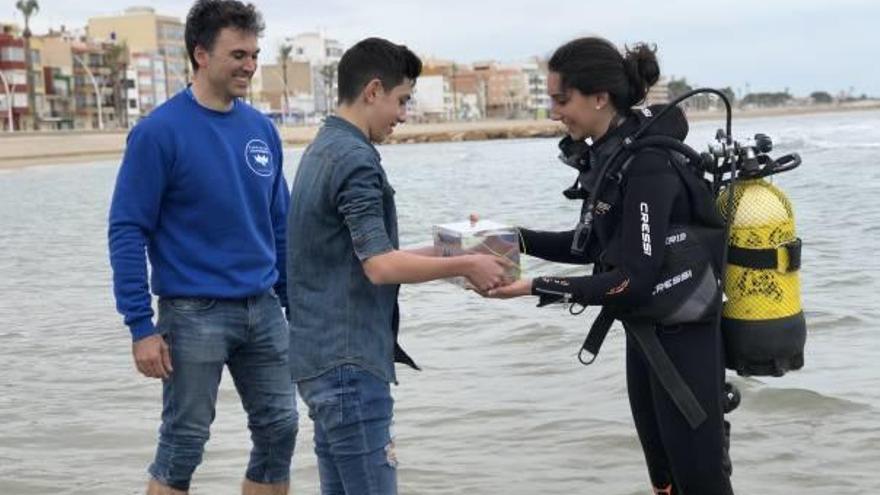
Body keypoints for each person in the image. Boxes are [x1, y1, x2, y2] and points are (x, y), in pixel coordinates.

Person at [485, 37, 734, 494]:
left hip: (683, 342)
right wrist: (502, 239)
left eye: (562, 100)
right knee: (664, 481)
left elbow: (633, 281)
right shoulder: (609, 157)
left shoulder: (648, 165)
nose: (554, 111)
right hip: (646, 337)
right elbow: (588, 247)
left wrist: (534, 286)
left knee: (701, 484)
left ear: (600, 98)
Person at [286, 37, 511, 495]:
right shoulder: (355, 160)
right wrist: (466, 264)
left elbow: (361, 257)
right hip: (350, 366)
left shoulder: (321, 149)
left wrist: (460, 250)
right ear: (372, 91)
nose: (404, 115)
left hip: (317, 362)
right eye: (402, 100)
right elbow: (380, 267)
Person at [107, 1, 296, 493]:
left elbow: (280, 224)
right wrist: (140, 327)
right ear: (200, 55)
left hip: (263, 309)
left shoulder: (262, 131)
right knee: (184, 444)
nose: (250, 66)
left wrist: (296, 302)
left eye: (255, 54)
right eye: (238, 54)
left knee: (281, 430)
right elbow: (127, 230)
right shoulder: (158, 132)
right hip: (193, 313)